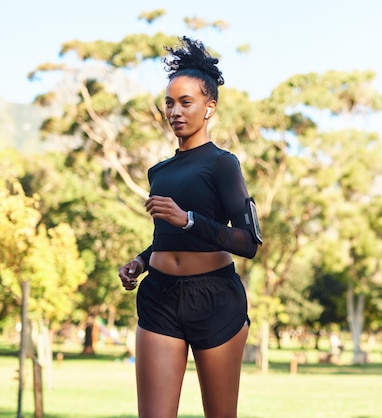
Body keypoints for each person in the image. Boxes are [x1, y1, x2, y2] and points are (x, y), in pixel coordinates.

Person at [118, 36, 262, 418]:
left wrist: (188, 219)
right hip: (160, 298)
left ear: (209, 107)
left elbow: (248, 243)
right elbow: (166, 239)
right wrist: (141, 261)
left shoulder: (222, 163)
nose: (175, 111)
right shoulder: (158, 172)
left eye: (186, 102)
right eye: (169, 102)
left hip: (215, 300)